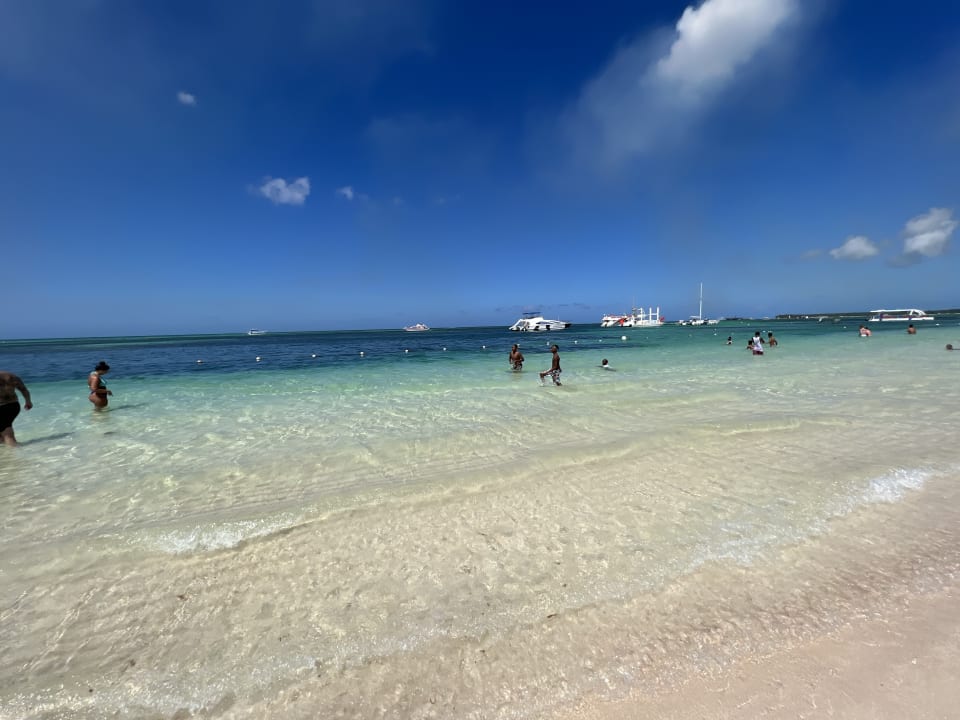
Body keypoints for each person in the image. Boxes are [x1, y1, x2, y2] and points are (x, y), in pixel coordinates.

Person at [0, 371, 32, 447]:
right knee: (2, 433)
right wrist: (28, 401)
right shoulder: (11, 376)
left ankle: (16, 452)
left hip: (1, 408)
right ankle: (7, 456)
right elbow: (24, 390)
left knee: (7, 434)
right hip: (13, 406)